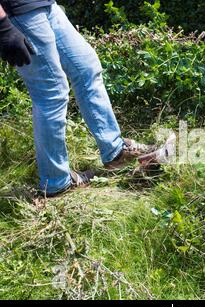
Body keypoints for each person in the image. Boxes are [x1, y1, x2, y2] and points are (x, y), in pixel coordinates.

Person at [0, 0, 164, 196]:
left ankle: (115, 152)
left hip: (44, 5)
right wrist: (3, 27)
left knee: (86, 68)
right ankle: (56, 182)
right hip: (19, 13)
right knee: (51, 92)